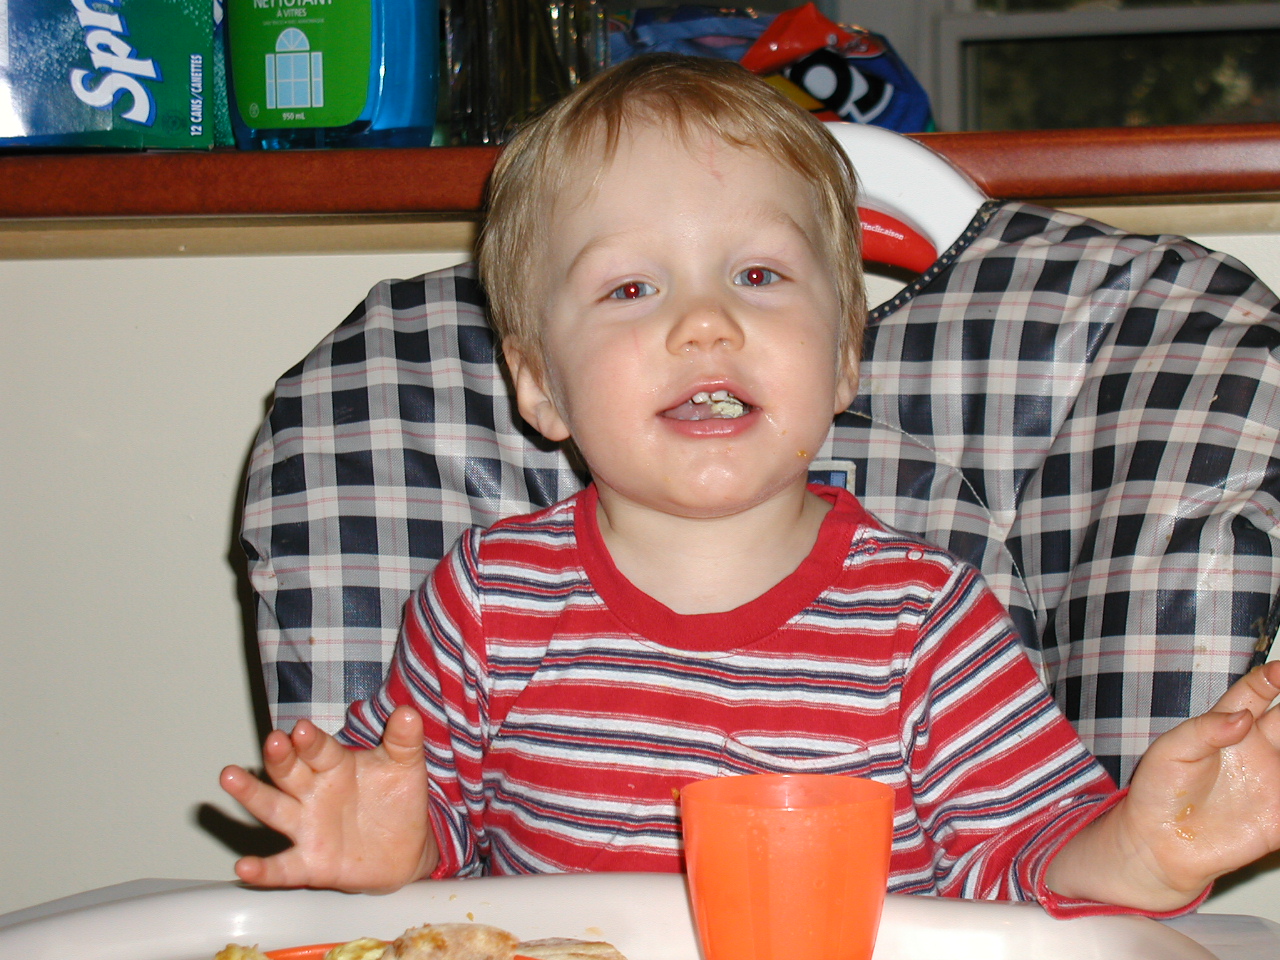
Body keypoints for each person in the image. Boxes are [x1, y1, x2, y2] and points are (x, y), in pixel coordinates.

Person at [220, 53, 1280, 916]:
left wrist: (1145, 850)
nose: (704, 322)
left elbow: (1025, 859)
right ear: (539, 384)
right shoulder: (485, 604)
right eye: (630, 287)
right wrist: (391, 849)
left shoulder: (922, 624)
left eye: (758, 275)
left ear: (844, 356)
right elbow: (426, 832)